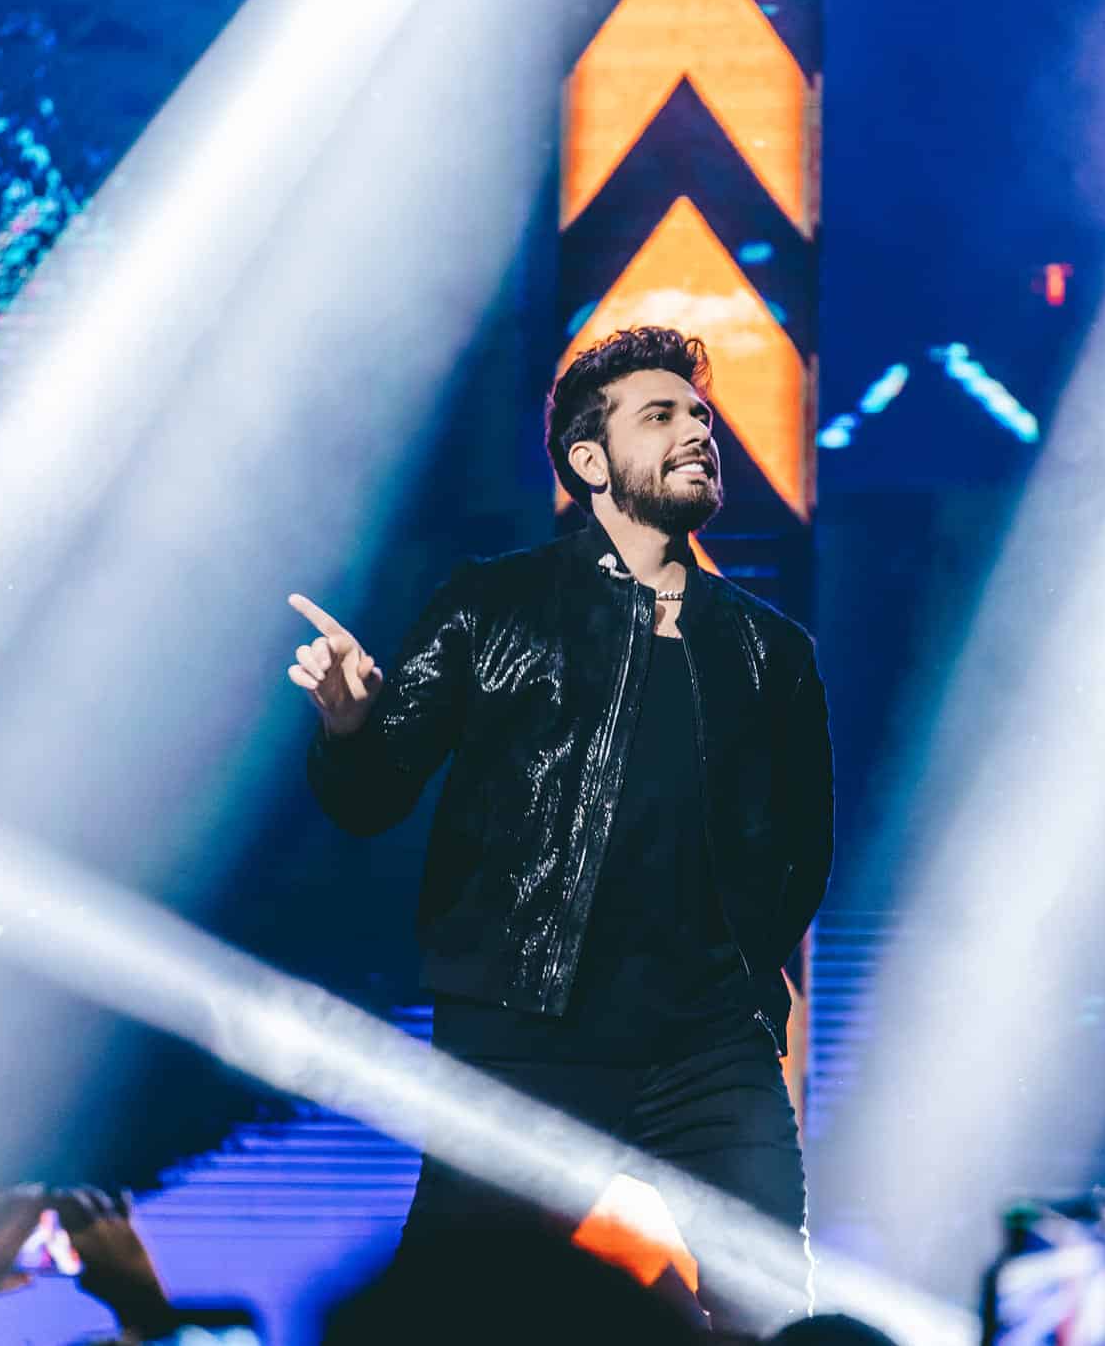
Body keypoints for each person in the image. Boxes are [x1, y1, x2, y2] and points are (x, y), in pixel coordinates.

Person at [290, 326, 832, 1332]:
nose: (697, 431)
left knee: (766, 1309)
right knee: (453, 1309)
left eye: (701, 417)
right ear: (590, 461)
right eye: (660, 415)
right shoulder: (491, 607)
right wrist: (350, 726)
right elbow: (369, 799)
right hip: (522, 1032)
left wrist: (737, 980)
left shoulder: (770, 651)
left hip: (709, 1048)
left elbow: (801, 851)